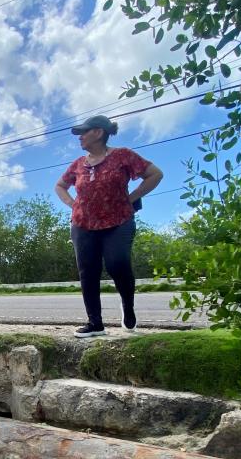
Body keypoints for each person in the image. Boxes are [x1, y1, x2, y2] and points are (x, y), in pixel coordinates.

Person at [54, 114, 163, 338]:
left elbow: (155, 174)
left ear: (98, 132)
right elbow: (60, 186)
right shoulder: (78, 164)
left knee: (117, 264)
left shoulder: (122, 155)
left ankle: (127, 305)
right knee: (88, 272)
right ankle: (95, 323)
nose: (80, 137)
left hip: (118, 220)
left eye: (84, 132)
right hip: (83, 224)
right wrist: (73, 205)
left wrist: (132, 198)